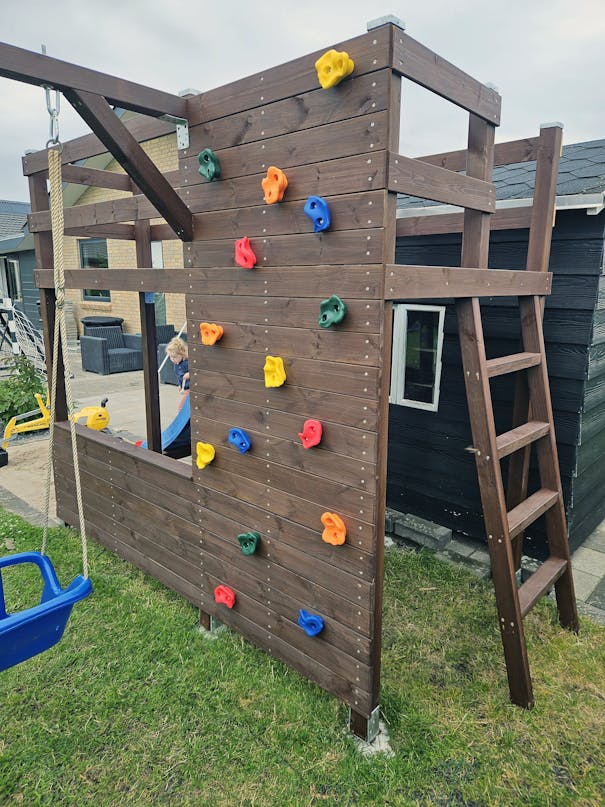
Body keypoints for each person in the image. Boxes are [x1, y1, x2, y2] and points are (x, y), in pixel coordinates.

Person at [165, 337, 190, 407]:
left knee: (181, 407)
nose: (172, 359)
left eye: (174, 357)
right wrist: (180, 385)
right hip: (185, 388)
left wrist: (189, 374)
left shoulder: (186, 363)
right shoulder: (176, 364)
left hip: (190, 388)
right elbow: (179, 375)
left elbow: (196, 371)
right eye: (170, 357)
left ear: (182, 354)